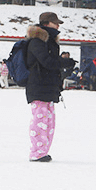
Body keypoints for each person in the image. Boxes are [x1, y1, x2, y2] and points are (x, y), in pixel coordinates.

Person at [25, 12, 64, 163]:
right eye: (56, 23)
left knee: (49, 122)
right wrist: (63, 63)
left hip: (49, 87)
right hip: (38, 87)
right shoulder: (37, 42)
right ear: (47, 23)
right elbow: (47, 62)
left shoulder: (50, 42)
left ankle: (43, 151)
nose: (58, 26)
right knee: (40, 121)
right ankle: (36, 153)